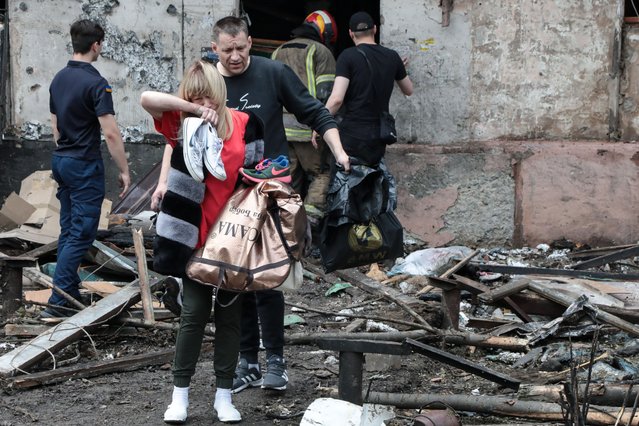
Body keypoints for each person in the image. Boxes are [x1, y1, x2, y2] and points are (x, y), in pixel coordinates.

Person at [209, 16, 350, 394]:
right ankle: (247, 361)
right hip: (224, 192)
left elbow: (315, 112)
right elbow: (177, 130)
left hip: (269, 188)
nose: (236, 56)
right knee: (230, 279)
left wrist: (337, 148)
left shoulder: (272, 73)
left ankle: (275, 362)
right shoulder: (207, 80)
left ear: (250, 42)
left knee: (267, 277)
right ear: (215, 49)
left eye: (241, 48)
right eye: (228, 50)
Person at [141, 60, 262, 424]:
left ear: (219, 92)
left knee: (230, 317)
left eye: (206, 96)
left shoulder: (246, 124)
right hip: (190, 234)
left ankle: (224, 396)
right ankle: (180, 396)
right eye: (193, 97)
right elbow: (147, 98)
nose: (202, 103)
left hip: (233, 237)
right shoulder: (183, 123)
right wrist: (193, 109)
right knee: (193, 314)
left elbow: (258, 171)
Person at [43, 19, 130, 318]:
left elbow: (55, 126)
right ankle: (58, 301)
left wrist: (65, 150)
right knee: (82, 232)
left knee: (70, 228)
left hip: (62, 159)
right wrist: (124, 170)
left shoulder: (58, 79)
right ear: (96, 45)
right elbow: (111, 133)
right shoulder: (96, 83)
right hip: (83, 163)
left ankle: (67, 290)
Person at [270, 10, 338, 219]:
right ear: (324, 33)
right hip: (308, 129)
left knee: (289, 179)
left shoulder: (277, 52)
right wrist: (322, 127)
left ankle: (288, 227)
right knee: (321, 173)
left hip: (281, 129)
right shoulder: (321, 51)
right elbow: (326, 94)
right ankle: (310, 223)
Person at [326, 11, 413, 166]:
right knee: (372, 180)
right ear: (374, 29)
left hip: (352, 133)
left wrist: (321, 120)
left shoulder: (347, 56)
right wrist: (395, 68)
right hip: (380, 133)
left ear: (351, 33)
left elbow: (337, 99)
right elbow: (408, 89)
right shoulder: (392, 57)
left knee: (348, 182)